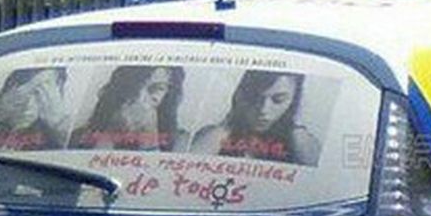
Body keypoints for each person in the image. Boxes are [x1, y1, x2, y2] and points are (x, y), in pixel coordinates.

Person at [191, 70, 321, 164]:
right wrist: (231, 120)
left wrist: (296, 124)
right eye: (255, 97)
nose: (263, 110)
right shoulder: (217, 134)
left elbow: (319, 171)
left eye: (278, 100)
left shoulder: (301, 140)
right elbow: (188, 163)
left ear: (294, 100)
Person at [70, 66, 186, 151]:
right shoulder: (79, 137)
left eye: (157, 88)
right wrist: (110, 131)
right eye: (134, 89)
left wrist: (149, 133)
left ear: (169, 94)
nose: (140, 99)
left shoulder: (181, 142)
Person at [0, 67, 69, 155]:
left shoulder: (54, 137)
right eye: (24, 89)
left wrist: (58, 123)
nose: (29, 101)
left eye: (40, 91)